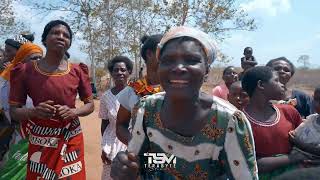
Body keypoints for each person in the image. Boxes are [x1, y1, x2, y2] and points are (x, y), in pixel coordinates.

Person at [111, 26, 258, 180]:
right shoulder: (146, 109)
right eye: (168, 60)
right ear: (159, 67)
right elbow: (144, 161)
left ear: (207, 70)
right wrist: (128, 168)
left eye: (191, 60)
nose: (179, 68)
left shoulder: (230, 121)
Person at [9, 20, 94, 179]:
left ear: (69, 43)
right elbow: (14, 112)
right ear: (45, 39)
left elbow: (90, 105)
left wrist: (73, 111)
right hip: (40, 139)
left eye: (66, 35)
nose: (61, 37)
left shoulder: (77, 71)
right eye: (55, 33)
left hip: (70, 135)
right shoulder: (25, 71)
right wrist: (34, 111)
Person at [241, 66, 310, 179]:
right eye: (276, 81)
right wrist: (293, 158)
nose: (282, 84)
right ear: (261, 85)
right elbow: (251, 163)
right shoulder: (240, 120)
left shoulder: (289, 111)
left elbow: (305, 142)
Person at [116, 34, 162, 145]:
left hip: (172, 158)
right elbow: (121, 125)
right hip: (141, 158)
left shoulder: (176, 88)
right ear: (149, 54)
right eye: (164, 51)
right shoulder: (132, 91)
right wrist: (135, 145)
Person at [99, 56, 133, 179]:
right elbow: (104, 124)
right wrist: (104, 147)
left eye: (123, 70)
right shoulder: (105, 97)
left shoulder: (137, 94)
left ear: (129, 72)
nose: (119, 73)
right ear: (111, 73)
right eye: (116, 70)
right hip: (111, 144)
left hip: (131, 142)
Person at [289, 85, 320, 158]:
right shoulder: (311, 119)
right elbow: (295, 134)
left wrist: (298, 143)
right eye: (315, 99)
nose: (316, 104)